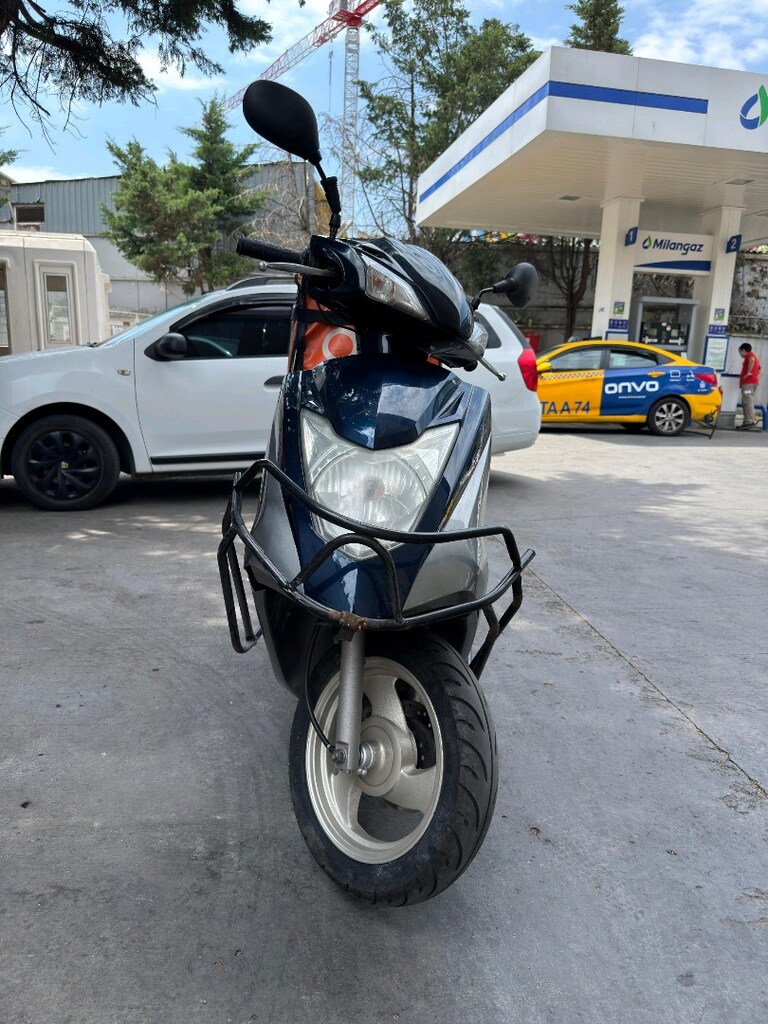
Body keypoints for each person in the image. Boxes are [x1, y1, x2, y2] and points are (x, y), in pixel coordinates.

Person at [736, 343, 762, 430]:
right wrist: (756, 377)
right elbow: (759, 369)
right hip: (752, 383)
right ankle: (748, 421)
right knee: (748, 400)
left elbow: (752, 360)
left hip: (748, 383)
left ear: (743, 350)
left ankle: (748, 421)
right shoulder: (754, 356)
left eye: (740, 352)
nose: (740, 354)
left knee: (747, 400)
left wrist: (748, 373)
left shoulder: (750, 356)